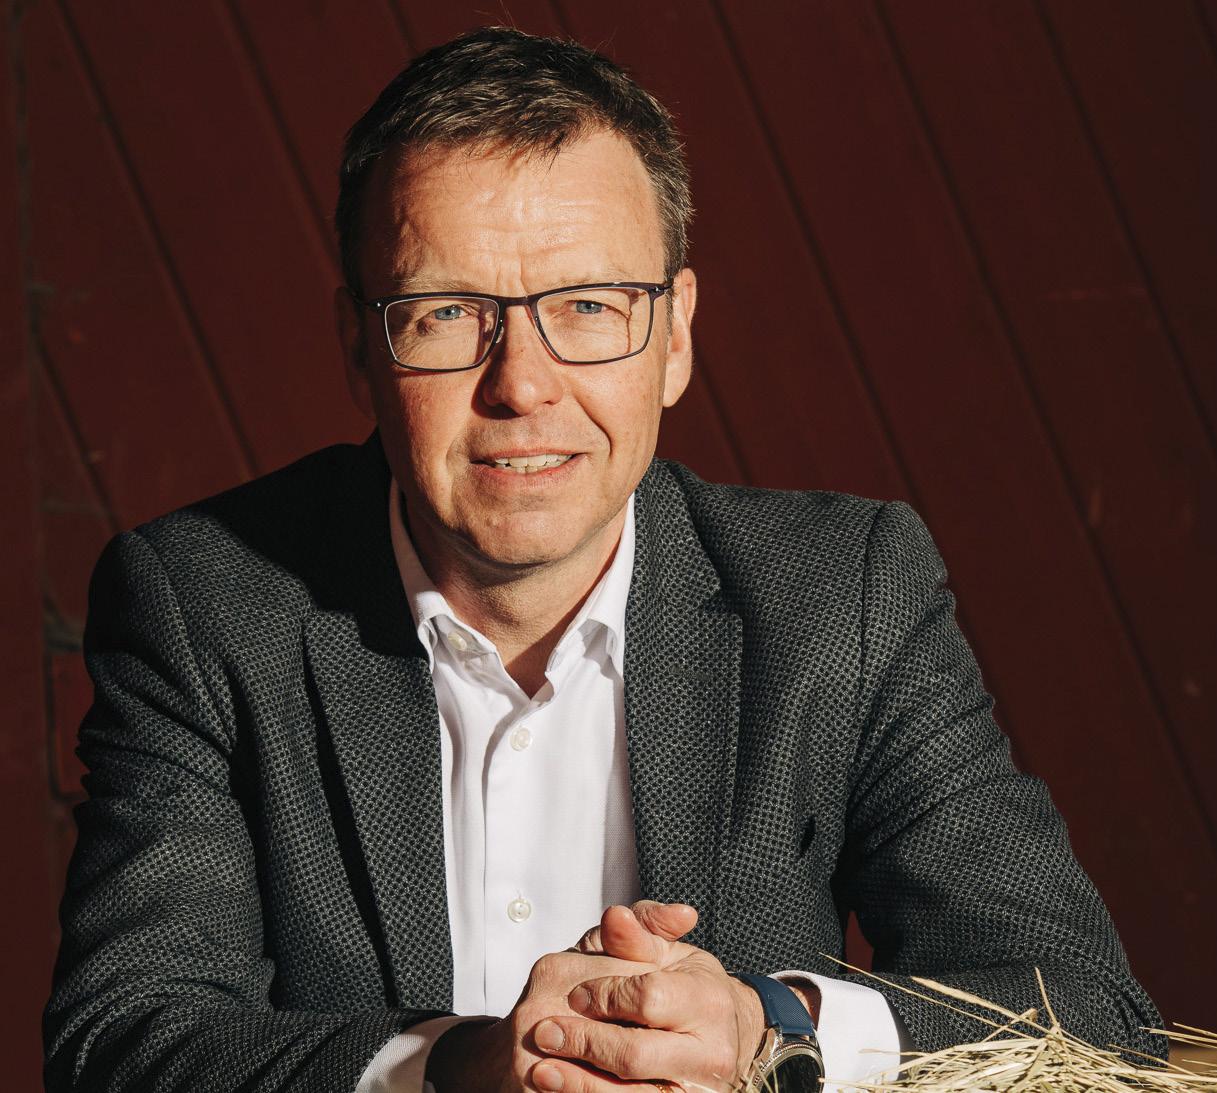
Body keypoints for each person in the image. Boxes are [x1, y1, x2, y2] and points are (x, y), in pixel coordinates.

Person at [44, 25, 1161, 1093]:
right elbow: (125, 1042)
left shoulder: (844, 593)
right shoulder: (200, 603)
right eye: (446, 313)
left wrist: (771, 1028)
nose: (521, 384)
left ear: (674, 337)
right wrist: (462, 1066)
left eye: (587, 305)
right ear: (359, 347)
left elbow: (1089, 1017)